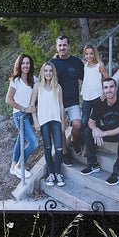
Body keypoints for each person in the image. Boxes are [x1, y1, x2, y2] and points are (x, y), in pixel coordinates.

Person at [86, 77, 119, 185]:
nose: (108, 90)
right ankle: (93, 164)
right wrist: (96, 130)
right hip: (111, 131)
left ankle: (117, 172)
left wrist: (103, 133)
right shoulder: (100, 102)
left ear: (116, 88)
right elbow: (90, 121)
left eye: (111, 87)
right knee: (88, 131)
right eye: (106, 87)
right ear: (103, 90)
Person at [30, 62, 66, 187]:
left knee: (59, 148)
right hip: (44, 121)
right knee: (47, 147)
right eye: (46, 71)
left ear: (53, 72)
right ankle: (50, 174)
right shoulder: (38, 86)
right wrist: (35, 121)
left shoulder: (58, 87)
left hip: (56, 121)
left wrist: (63, 122)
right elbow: (32, 105)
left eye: (50, 71)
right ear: (42, 72)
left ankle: (58, 173)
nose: (48, 73)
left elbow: (61, 105)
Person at [51, 34, 84, 166]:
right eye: (60, 45)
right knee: (60, 129)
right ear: (56, 47)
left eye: (65, 45)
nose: (62, 48)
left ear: (69, 46)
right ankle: (65, 153)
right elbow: (45, 81)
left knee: (77, 125)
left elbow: (85, 79)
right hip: (57, 103)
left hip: (73, 102)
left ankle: (74, 140)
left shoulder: (76, 62)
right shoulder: (52, 63)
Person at [5, 54, 38, 180]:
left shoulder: (34, 79)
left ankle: (13, 166)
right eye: (23, 63)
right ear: (19, 65)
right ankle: (19, 166)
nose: (25, 66)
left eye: (28, 63)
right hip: (20, 115)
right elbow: (8, 100)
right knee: (33, 143)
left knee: (21, 139)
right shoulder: (16, 81)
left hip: (29, 115)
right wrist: (24, 109)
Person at [80, 44, 109, 174]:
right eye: (86, 54)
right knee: (84, 121)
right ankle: (87, 145)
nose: (89, 56)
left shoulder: (99, 66)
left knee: (95, 122)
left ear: (95, 54)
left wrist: (105, 94)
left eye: (91, 53)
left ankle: (90, 146)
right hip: (87, 97)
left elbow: (108, 79)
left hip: (97, 97)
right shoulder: (85, 64)